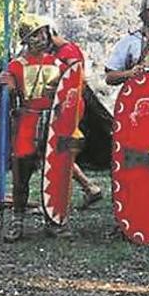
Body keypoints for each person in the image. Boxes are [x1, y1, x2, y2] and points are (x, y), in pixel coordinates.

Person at [0, 14, 81, 242]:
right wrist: (8, 86)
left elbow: (72, 88)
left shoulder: (57, 63)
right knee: (21, 172)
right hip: (27, 121)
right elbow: (12, 97)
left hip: (53, 123)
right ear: (26, 38)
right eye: (36, 33)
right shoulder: (16, 66)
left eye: (44, 32)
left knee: (53, 171)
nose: (42, 37)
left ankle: (54, 219)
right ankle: (17, 220)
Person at [49, 29, 103, 209]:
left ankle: (89, 186)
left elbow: (74, 77)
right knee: (58, 149)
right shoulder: (59, 52)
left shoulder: (69, 51)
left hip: (69, 104)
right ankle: (88, 187)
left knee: (60, 149)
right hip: (62, 104)